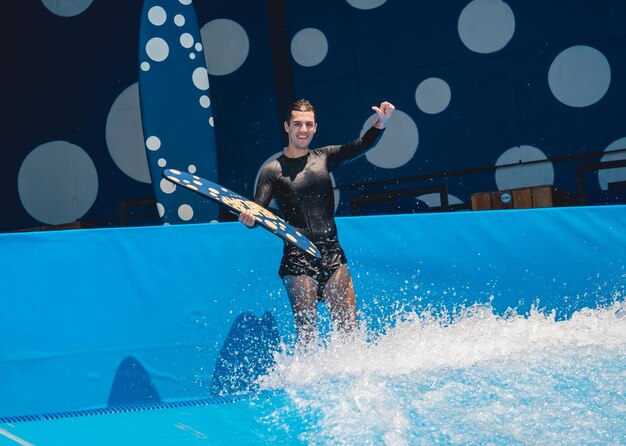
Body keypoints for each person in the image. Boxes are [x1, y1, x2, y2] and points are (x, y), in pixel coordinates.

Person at [239, 99, 395, 347]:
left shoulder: (324, 157)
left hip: (332, 253)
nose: (303, 129)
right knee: (307, 333)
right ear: (287, 127)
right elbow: (258, 209)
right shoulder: (272, 170)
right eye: (297, 124)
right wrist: (249, 219)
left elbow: (361, 145)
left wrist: (381, 123)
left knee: (349, 332)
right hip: (297, 255)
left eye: (308, 124)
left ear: (315, 128)